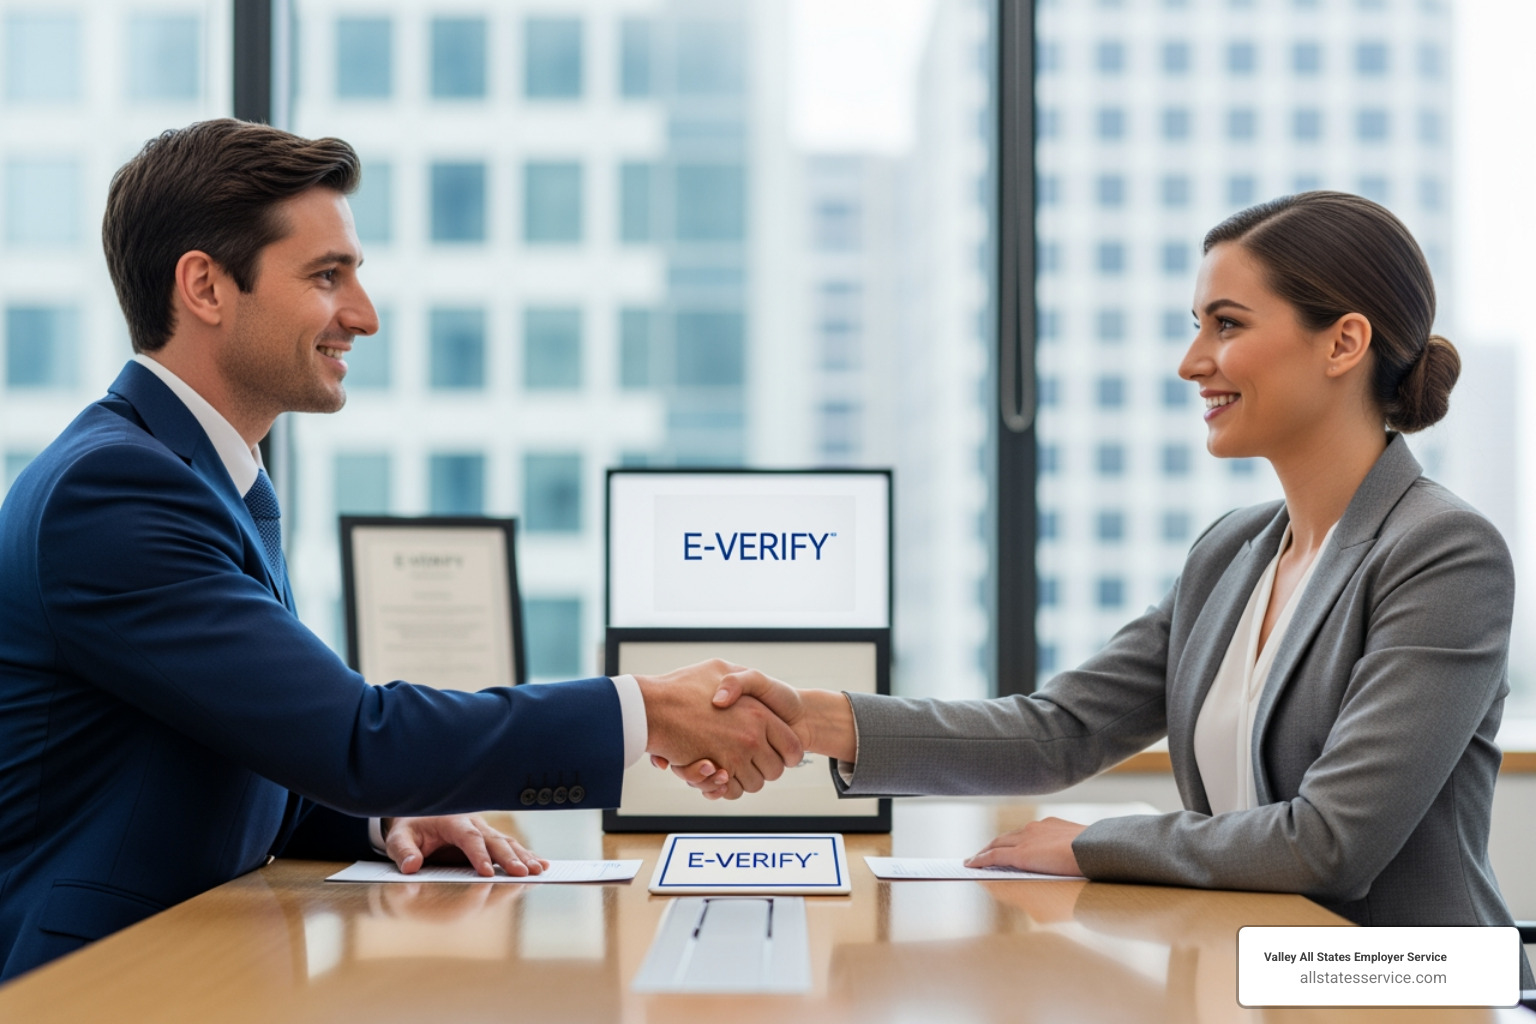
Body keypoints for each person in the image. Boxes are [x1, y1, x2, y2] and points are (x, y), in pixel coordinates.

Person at [0, 119, 797, 980]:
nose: (363, 317)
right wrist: (643, 709)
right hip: (96, 982)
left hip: (196, 959)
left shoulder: (194, 477)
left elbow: (237, 740)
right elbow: (356, 740)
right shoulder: (115, 490)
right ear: (205, 286)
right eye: (326, 276)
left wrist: (380, 821)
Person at [673, 191, 1533, 986]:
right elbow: (1060, 732)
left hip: (1404, 988)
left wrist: (1093, 845)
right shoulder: (1231, 553)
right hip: (1239, 974)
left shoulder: (1442, 554)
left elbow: (1331, 843)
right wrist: (816, 720)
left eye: (1226, 325)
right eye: (1196, 325)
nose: (1193, 361)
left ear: (1344, 342)